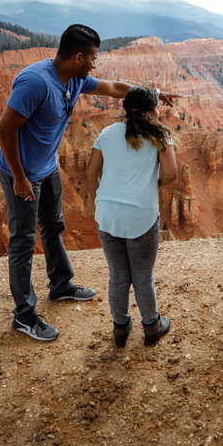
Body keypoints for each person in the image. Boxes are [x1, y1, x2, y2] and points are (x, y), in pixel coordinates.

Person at [0, 24, 179, 341]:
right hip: (22, 173)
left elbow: (112, 88)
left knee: (54, 226)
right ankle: (24, 316)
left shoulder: (75, 78)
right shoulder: (35, 82)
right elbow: (4, 130)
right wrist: (20, 178)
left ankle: (61, 284)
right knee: (23, 241)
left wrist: (154, 95)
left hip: (47, 167)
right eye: (93, 57)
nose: (96, 63)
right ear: (79, 56)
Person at [84, 87, 176, 347]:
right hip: (141, 217)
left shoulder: (106, 133)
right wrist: (149, 186)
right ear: (151, 110)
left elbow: (91, 175)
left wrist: (101, 201)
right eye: (157, 106)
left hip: (108, 216)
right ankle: (151, 326)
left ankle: (121, 329)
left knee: (118, 276)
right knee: (142, 277)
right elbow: (170, 174)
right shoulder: (160, 136)